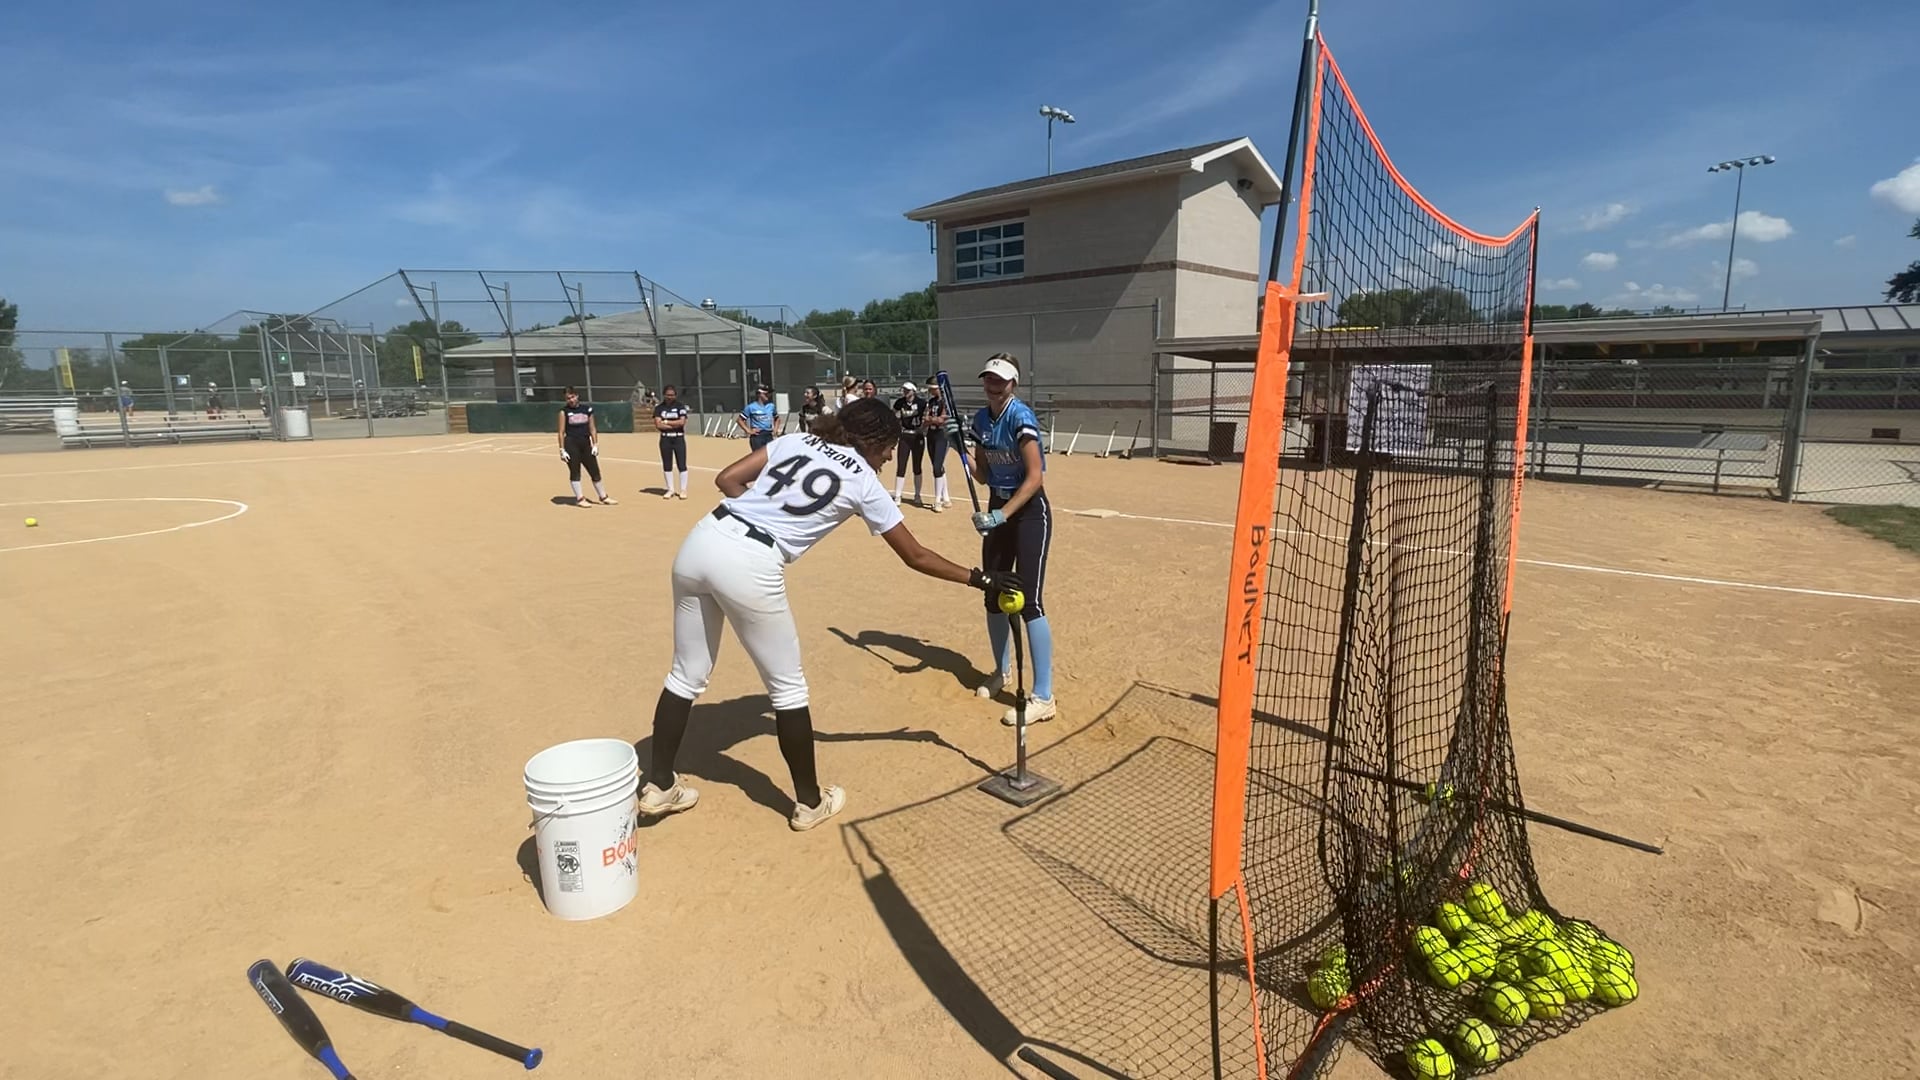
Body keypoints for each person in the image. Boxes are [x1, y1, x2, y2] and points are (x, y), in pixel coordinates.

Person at [638, 397, 1022, 831]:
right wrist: (981, 579)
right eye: (889, 446)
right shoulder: (863, 481)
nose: (890, 456)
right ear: (873, 440)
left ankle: (659, 784)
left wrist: (764, 516)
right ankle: (809, 802)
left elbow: (727, 479)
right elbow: (914, 555)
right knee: (787, 690)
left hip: (703, 539)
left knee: (686, 674)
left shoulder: (798, 440)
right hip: (750, 563)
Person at [962, 353, 1056, 725]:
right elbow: (984, 475)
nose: (993, 386)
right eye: (989, 379)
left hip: (1028, 512)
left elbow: (1035, 477)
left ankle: (1044, 696)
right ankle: (1001, 671)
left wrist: (1003, 514)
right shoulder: (981, 420)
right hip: (997, 508)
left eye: (1000, 380)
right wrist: (960, 449)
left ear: (1012, 383)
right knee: (993, 593)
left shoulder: (1021, 417)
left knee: (1029, 601)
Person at [556, 386, 617, 506]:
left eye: (572, 397)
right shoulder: (564, 412)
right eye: (568, 398)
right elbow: (561, 432)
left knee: (594, 470)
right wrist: (562, 449)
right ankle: (580, 499)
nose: (571, 400)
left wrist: (595, 444)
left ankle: (603, 497)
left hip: (585, 443)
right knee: (575, 471)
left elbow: (592, 428)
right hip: (571, 444)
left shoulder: (587, 409)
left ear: (577, 396)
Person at [892, 381, 927, 506]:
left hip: (917, 437)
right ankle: (897, 495)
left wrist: (922, 428)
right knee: (901, 466)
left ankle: (917, 495)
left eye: (908, 390)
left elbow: (926, 417)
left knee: (917, 466)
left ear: (914, 391)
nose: (905, 392)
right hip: (905, 436)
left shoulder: (921, 403)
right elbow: (892, 414)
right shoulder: (900, 402)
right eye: (904, 390)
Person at [653, 385, 690, 499]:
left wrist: (666, 422)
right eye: (668, 395)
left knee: (681, 464)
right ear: (664, 395)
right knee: (667, 464)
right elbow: (658, 424)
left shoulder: (680, 407)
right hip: (665, 439)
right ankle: (670, 489)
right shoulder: (659, 408)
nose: (670, 397)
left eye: (672, 395)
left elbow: (682, 422)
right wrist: (673, 425)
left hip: (678, 438)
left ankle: (683, 490)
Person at [923, 384, 951, 513]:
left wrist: (931, 419)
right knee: (937, 465)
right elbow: (925, 418)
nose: (930, 391)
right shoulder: (931, 401)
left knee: (937, 466)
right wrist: (931, 419)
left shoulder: (945, 401)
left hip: (942, 435)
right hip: (931, 434)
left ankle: (937, 500)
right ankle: (946, 497)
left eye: (932, 388)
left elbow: (942, 420)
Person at [737, 385, 779, 450]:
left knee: (770, 454)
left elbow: (777, 418)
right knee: (758, 454)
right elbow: (740, 420)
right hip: (757, 436)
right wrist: (748, 430)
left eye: (769, 394)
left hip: (768, 435)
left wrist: (775, 429)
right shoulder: (751, 407)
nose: (768, 395)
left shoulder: (771, 406)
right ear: (759, 394)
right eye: (766, 394)